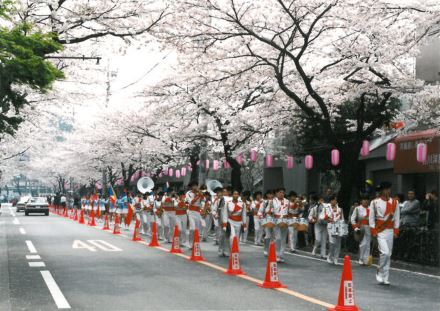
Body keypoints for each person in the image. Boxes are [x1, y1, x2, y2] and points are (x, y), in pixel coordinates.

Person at [369, 181, 400, 285]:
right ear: (381, 190)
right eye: (386, 189)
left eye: (389, 189)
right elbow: (371, 219)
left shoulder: (395, 202)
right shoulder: (374, 202)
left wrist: (396, 231)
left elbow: (397, 218)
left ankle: (385, 277)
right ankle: (379, 269)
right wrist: (373, 231)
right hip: (380, 231)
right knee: (385, 253)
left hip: (390, 231)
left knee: (389, 254)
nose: (388, 191)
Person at [351, 195, 371, 265]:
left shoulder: (371, 209)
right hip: (361, 228)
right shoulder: (357, 208)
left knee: (368, 244)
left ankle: (366, 260)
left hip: (369, 228)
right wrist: (356, 228)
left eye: (367, 199)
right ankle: (361, 258)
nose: (365, 201)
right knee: (363, 244)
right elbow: (352, 219)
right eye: (364, 199)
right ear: (361, 201)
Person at [185, 181, 205, 246]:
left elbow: (204, 200)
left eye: (196, 185)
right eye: (193, 186)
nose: (195, 187)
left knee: (197, 229)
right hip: (191, 212)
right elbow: (191, 202)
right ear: (191, 187)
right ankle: (190, 243)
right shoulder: (188, 193)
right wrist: (198, 196)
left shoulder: (199, 192)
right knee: (192, 228)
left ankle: (196, 243)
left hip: (198, 212)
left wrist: (201, 194)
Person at [309, 194, 329, 259]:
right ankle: (314, 249)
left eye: (323, 200)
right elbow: (309, 217)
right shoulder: (314, 208)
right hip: (317, 225)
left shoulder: (327, 208)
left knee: (324, 240)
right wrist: (313, 220)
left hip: (325, 225)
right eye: (320, 200)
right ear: (318, 201)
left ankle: (323, 254)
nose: (321, 201)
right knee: (318, 239)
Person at [326, 195, 344, 265]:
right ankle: (329, 257)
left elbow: (342, 218)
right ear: (331, 201)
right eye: (334, 200)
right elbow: (326, 217)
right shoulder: (327, 207)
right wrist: (331, 215)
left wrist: (342, 226)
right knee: (332, 242)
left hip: (338, 226)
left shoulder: (340, 209)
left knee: (338, 243)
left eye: (336, 200)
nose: (335, 201)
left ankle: (336, 259)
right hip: (330, 225)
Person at [273, 188, 289, 262]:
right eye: (280, 192)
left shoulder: (287, 201)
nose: (282, 194)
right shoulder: (273, 201)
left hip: (285, 221)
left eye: (283, 192)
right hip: (276, 220)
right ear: (276, 193)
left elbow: (288, 211)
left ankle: (281, 255)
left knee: (283, 239)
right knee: (278, 238)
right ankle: (276, 254)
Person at [258, 190, 275, 257]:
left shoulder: (276, 202)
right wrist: (262, 217)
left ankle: (273, 250)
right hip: (267, 219)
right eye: (269, 194)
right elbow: (259, 212)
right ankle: (266, 249)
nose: (271, 195)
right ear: (267, 195)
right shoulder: (264, 202)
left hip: (275, 220)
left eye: (272, 194)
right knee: (268, 235)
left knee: (274, 236)